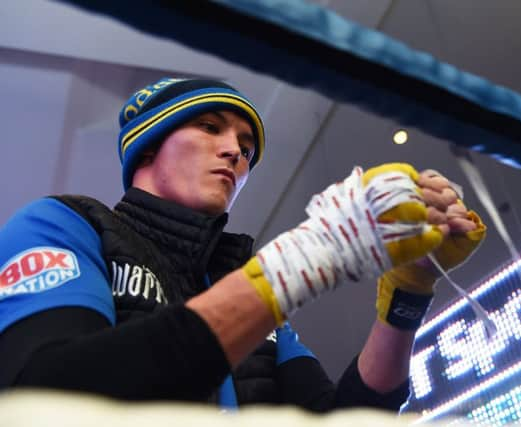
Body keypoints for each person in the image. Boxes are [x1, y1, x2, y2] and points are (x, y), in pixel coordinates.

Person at [0, 78, 486, 411]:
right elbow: (47, 397)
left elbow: (343, 416)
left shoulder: (244, 288)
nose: (235, 151)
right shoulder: (64, 224)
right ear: (148, 144)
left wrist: (409, 291)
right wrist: (312, 255)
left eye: (246, 147)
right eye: (210, 128)